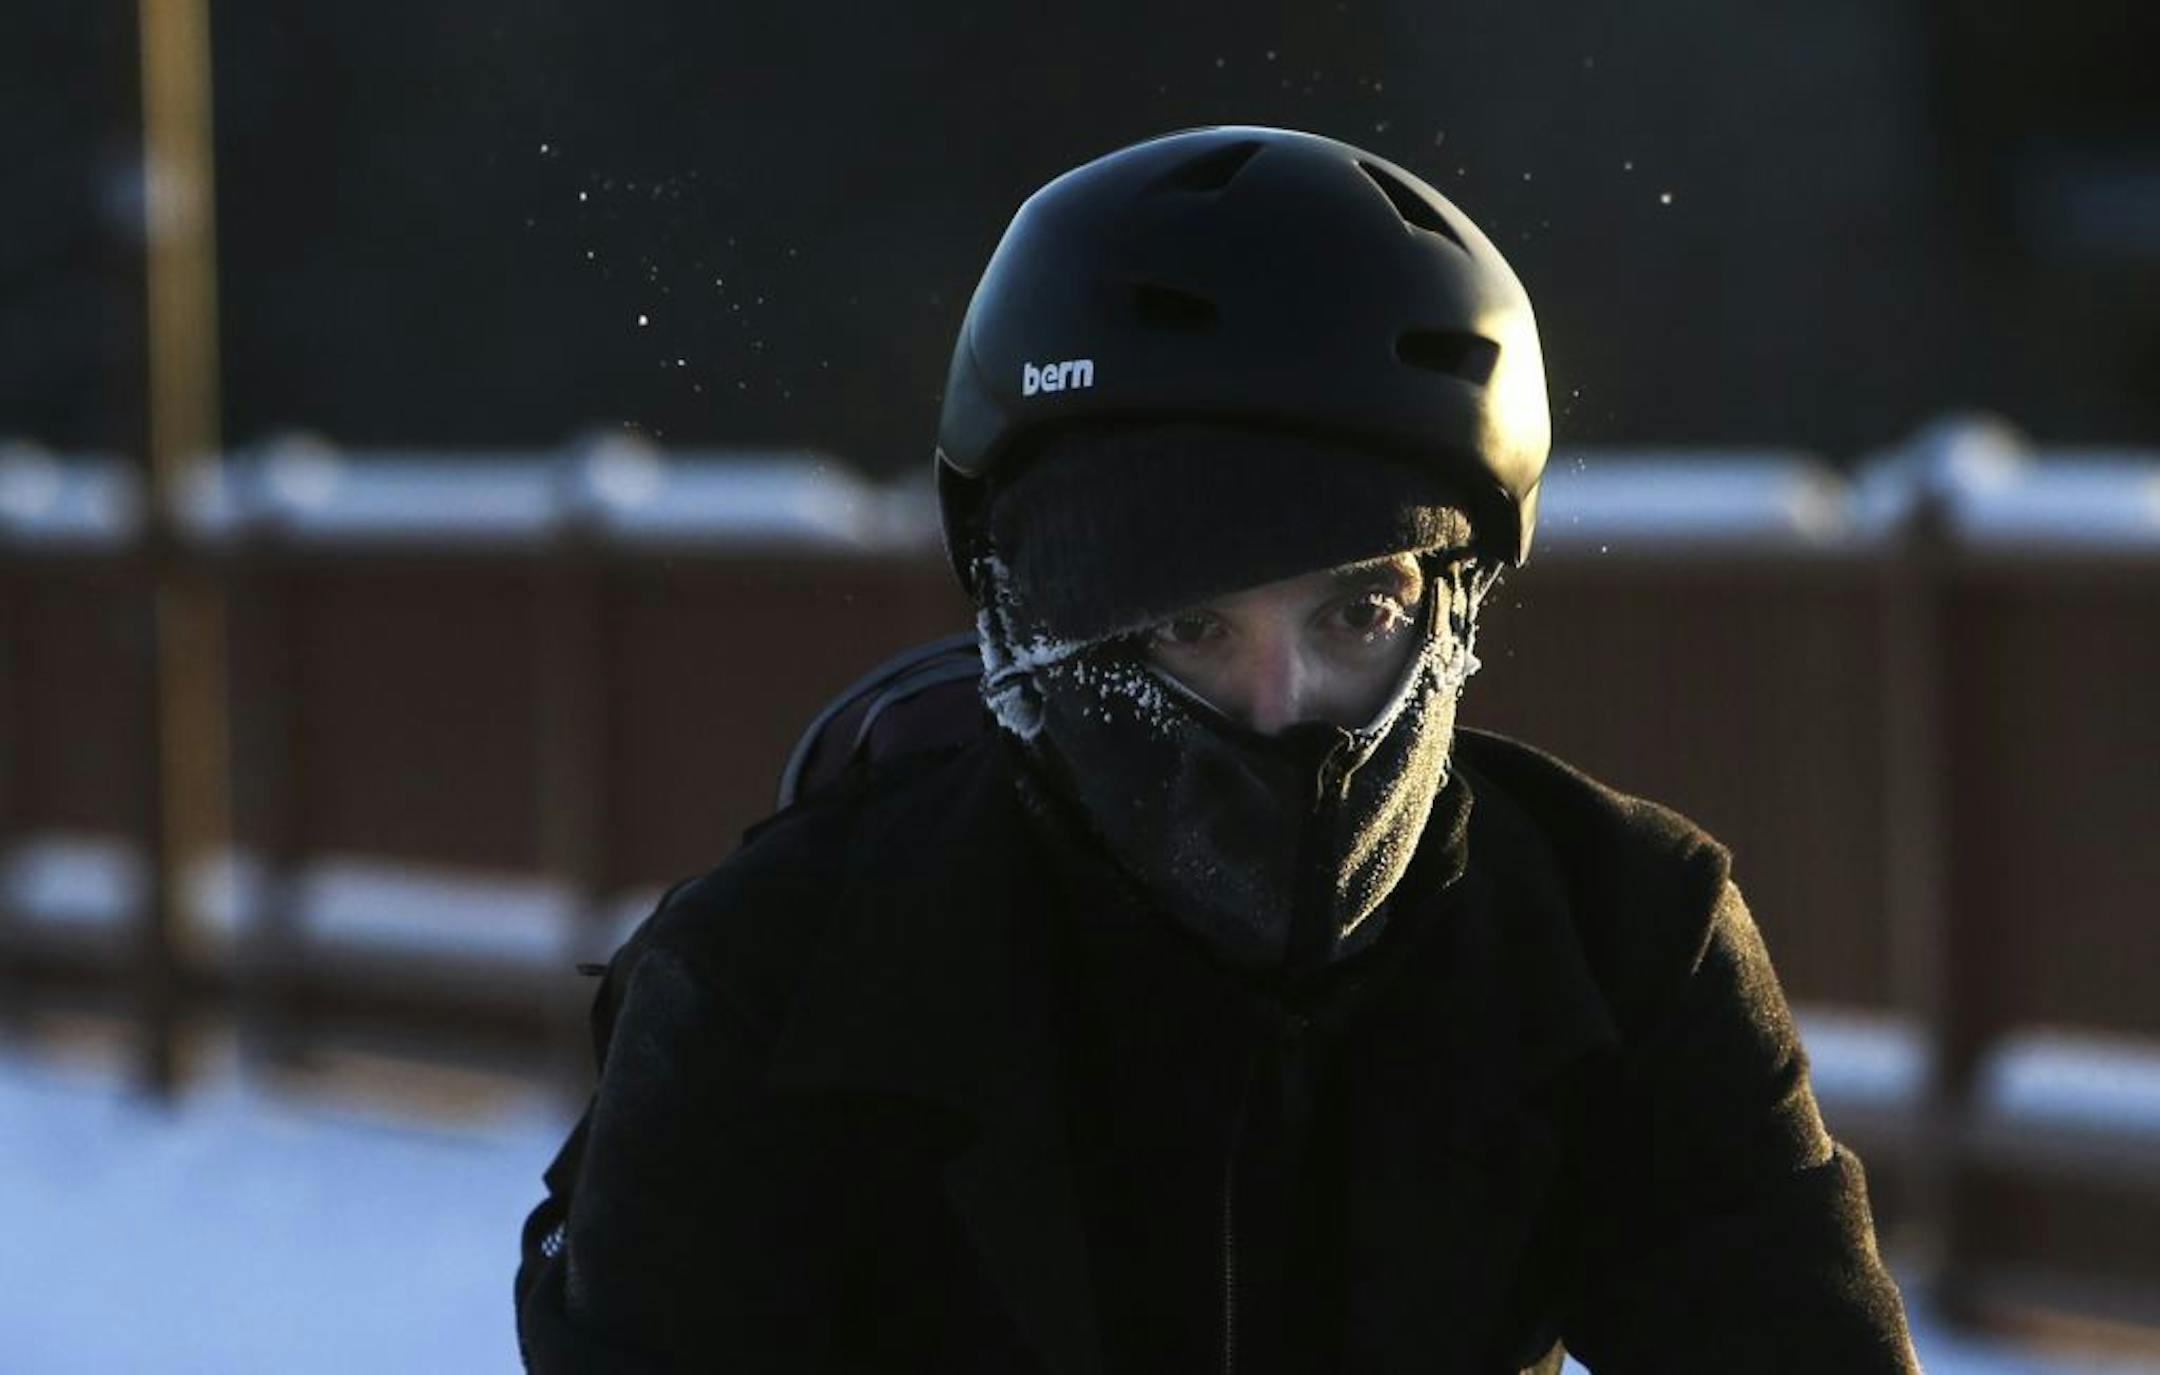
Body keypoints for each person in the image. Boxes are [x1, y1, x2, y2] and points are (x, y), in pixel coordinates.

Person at [515, 126, 1920, 1373]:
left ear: (1459, 605)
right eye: (1188, 625)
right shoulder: (776, 985)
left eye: (1356, 611)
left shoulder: (1618, 938)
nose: (1280, 704)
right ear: (1030, 608)